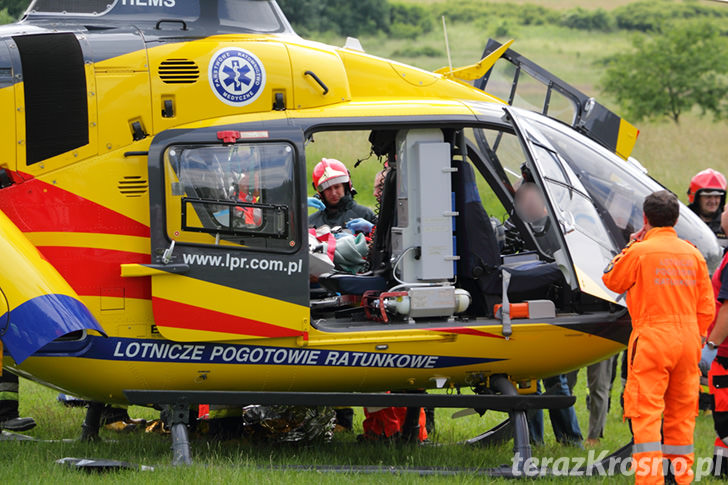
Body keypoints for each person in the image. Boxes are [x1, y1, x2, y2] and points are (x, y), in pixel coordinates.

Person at [603, 190, 715, 485]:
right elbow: (706, 307)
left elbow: (611, 279)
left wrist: (630, 247)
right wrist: (698, 337)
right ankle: (679, 479)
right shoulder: (693, 254)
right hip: (689, 341)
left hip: (653, 340)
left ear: (645, 218)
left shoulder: (639, 252)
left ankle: (651, 481)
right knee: (682, 413)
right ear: (677, 219)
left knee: (647, 414)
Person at [702, 203, 728, 476]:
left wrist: (711, 346)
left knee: (724, 418)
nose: (722, 214)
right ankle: (719, 470)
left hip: (724, 354)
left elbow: (727, 309)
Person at [308, 158, 376, 234]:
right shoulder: (310, 222)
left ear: (345, 187)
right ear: (321, 192)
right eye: (328, 189)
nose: (333, 193)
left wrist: (373, 229)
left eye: (337, 187)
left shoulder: (365, 214)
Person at [687, 168, 727, 246]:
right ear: (697, 198)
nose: (713, 201)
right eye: (708, 196)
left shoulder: (726, 223)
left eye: (717, 197)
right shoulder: (685, 221)